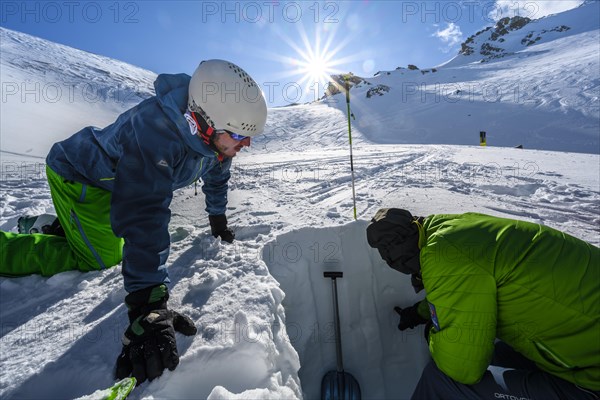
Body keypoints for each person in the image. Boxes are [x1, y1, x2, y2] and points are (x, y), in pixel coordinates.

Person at [0, 59, 268, 384]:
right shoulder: (154, 128)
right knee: (99, 259)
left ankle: (60, 226)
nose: (246, 145)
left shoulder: (218, 148)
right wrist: (148, 304)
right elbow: (144, 210)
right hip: (81, 176)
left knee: (107, 239)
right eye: (240, 134)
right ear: (205, 122)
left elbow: (216, 180)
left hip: (117, 185)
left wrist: (218, 219)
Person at [366, 208, 599, 400]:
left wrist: (434, 336)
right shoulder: (453, 228)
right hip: (585, 338)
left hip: (592, 377)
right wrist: (421, 312)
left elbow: (462, 369)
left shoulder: (442, 255)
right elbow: (468, 286)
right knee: (498, 354)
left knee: (439, 379)